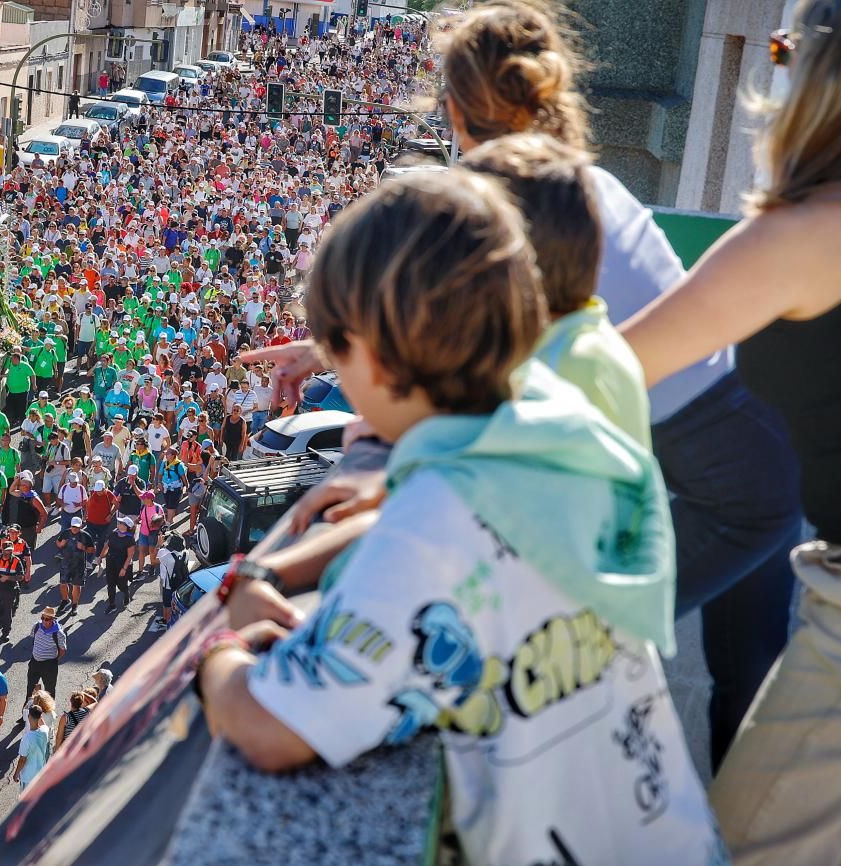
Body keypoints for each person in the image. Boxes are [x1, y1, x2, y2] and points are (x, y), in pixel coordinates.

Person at [201, 171, 720, 864]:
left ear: (377, 361)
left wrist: (218, 659)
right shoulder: (561, 430)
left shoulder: (431, 530)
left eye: (335, 347)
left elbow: (273, 728)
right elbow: (479, 530)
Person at [619, 0, 841, 862]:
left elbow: (617, 365)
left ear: (826, 78)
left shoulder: (803, 234)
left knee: (746, 843)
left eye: (784, 50)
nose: (772, 74)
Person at [0, 534, 29, 644]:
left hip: (10, 591)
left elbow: (21, 576)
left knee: (7, 613)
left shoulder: (16, 561)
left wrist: (8, 578)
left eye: (10, 550)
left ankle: (6, 633)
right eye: (6, 550)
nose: (8, 552)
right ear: (2, 550)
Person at [26, 606, 67, 704]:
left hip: (49, 666)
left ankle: (49, 712)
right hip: (34, 662)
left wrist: (53, 660)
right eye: (42, 618)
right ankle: (26, 714)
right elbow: (33, 638)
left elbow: (62, 650)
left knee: (49, 690)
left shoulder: (59, 634)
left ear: (53, 619)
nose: (44, 621)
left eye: (47, 619)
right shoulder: (36, 626)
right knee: (30, 688)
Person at [54, 517, 94, 614]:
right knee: (63, 584)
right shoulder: (65, 533)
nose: (74, 528)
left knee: (76, 586)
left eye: (77, 527)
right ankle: (65, 600)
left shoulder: (86, 536)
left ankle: (74, 605)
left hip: (79, 565)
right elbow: (57, 543)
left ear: (81, 526)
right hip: (66, 563)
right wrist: (61, 544)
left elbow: (92, 550)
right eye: (73, 526)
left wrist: (83, 547)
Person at [99, 514, 135, 612]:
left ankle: (126, 592)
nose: (118, 523)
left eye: (121, 523)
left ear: (125, 526)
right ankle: (112, 605)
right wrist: (101, 556)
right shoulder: (114, 533)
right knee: (110, 585)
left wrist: (124, 569)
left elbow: (130, 556)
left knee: (121, 585)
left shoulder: (130, 539)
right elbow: (107, 545)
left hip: (121, 564)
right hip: (110, 562)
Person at [13, 706, 50, 793]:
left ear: (29, 716)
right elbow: (43, 724)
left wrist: (16, 774)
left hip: (28, 776)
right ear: (41, 717)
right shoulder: (45, 731)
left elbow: (22, 760)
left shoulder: (27, 738)